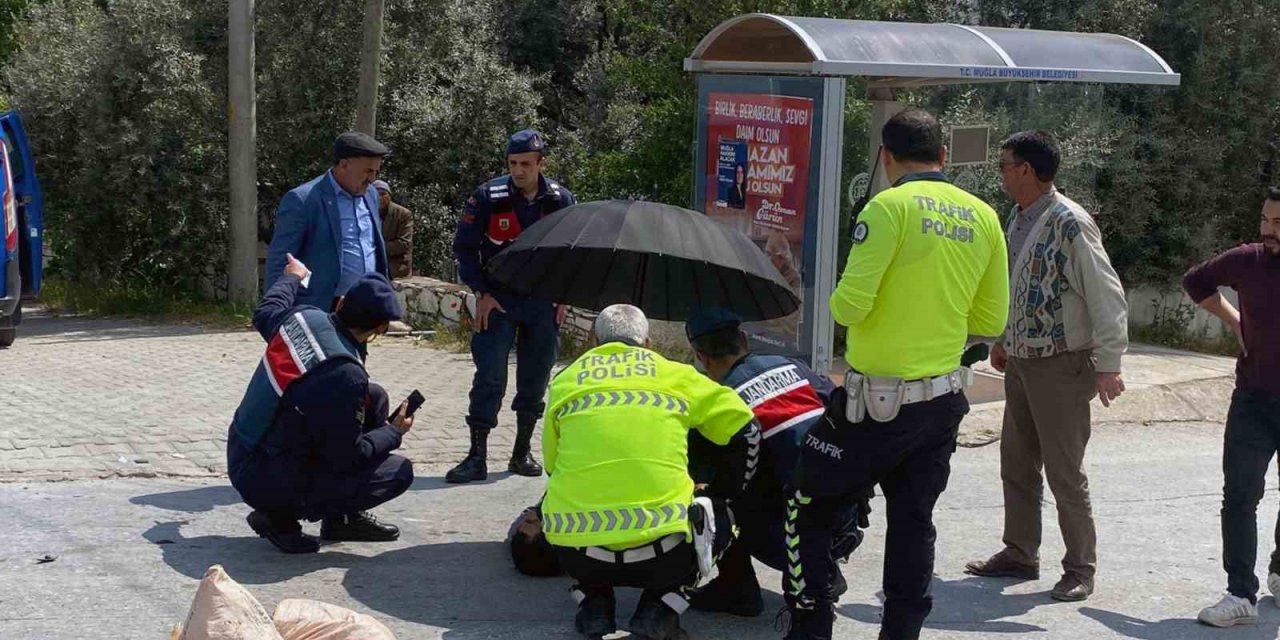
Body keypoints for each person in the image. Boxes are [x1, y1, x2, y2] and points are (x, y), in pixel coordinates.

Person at [779, 108, 1009, 640]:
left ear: (886, 157)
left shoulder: (887, 208)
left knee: (805, 503)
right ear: (943, 157)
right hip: (942, 402)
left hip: (873, 405)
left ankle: (811, 626)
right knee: (912, 524)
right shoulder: (983, 215)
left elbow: (848, 308)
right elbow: (991, 321)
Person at [964, 131, 1129, 603]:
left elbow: (1106, 294)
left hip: (1061, 366)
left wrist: (1109, 363)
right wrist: (1003, 339)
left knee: (1064, 471)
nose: (1000, 174)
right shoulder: (1019, 218)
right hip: (1022, 362)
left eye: (1005, 166)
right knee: (1015, 462)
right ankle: (1020, 552)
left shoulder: (1070, 223)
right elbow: (1015, 284)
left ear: (1027, 171)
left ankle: (1080, 567)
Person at [542, 304, 759, 640]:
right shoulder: (677, 375)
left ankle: (594, 601)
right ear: (647, 342)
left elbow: (552, 466)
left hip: (579, 553)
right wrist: (723, 492)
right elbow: (746, 428)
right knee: (723, 514)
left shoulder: (565, 381)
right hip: (667, 556)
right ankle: (661, 607)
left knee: (554, 499)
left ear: (593, 340)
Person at [683, 308, 867, 618]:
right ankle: (818, 565)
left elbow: (707, 473)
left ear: (701, 357)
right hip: (847, 516)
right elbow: (842, 410)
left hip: (791, 531)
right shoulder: (794, 368)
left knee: (710, 496)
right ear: (743, 339)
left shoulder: (721, 400)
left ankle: (737, 588)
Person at [226, 255, 415, 554]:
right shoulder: (346, 375)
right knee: (398, 471)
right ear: (381, 328)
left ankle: (341, 522)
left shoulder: (302, 317)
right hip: (264, 478)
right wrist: (394, 432)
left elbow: (266, 311)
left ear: (340, 304)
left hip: (241, 450)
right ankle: (280, 516)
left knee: (374, 397)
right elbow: (350, 456)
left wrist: (294, 276)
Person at [448, 129, 576, 483]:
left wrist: (564, 296)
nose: (518, 171)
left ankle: (522, 452)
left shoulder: (560, 200)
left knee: (535, 378)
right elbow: (464, 249)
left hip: (541, 302)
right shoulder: (488, 196)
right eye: (512, 164)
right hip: (498, 299)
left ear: (541, 164)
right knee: (490, 377)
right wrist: (481, 293)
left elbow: (572, 253)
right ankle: (476, 456)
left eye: (525, 164)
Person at [1187, 187, 1280, 627]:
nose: (1267, 230)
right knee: (1240, 496)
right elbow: (1195, 281)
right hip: (1253, 400)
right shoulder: (1249, 259)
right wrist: (1235, 320)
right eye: (1265, 219)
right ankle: (1241, 593)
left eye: (1278, 223)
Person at [264, 132, 391, 309]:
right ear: (344, 165)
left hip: (363, 308)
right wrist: (275, 314)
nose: (373, 179)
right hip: (320, 308)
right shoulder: (304, 200)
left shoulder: (370, 195)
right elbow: (281, 260)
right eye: (368, 171)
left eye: (376, 172)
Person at [373, 180, 414, 279]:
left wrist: (375, 249)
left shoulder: (403, 214)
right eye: (376, 194)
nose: (380, 198)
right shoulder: (366, 212)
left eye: (383, 194)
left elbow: (404, 244)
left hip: (395, 266)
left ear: (389, 196)